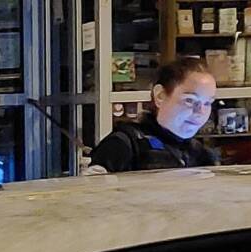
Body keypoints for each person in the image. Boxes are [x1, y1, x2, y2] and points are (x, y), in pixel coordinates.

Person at [88, 57, 218, 173]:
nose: (200, 112)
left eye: (207, 103)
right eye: (190, 100)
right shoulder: (123, 145)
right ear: (160, 96)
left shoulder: (201, 154)